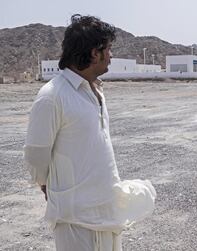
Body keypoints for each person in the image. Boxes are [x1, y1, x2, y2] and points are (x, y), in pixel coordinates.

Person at [24, 14, 156, 251]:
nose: (111, 56)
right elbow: (36, 153)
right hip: (76, 219)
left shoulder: (94, 90)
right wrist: (48, 186)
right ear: (94, 53)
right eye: (109, 49)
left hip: (105, 209)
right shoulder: (52, 95)